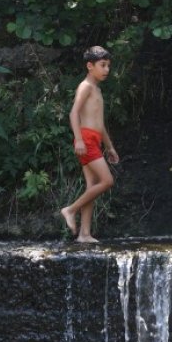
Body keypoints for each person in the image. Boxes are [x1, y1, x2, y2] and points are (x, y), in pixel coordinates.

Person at [60, 46, 119, 243]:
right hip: (85, 139)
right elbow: (73, 113)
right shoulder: (85, 86)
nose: (106, 70)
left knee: (92, 185)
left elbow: (100, 125)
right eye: (102, 65)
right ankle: (70, 209)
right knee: (107, 181)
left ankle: (84, 234)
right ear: (89, 66)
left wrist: (109, 147)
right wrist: (78, 139)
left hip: (94, 138)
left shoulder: (97, 90)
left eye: (108, 66)